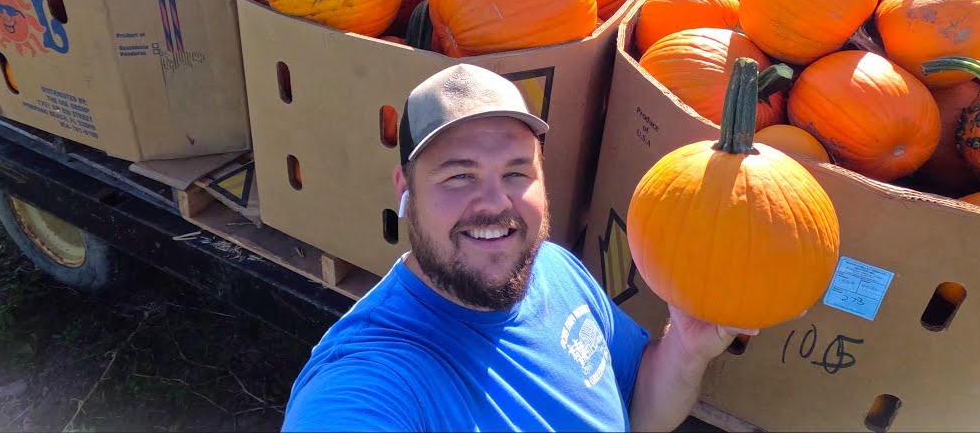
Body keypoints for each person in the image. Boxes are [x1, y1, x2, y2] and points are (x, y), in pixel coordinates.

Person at [281, 64, 759, 432]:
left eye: (516, 173)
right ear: (404, 187)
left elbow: (637, 412)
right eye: (459, 175)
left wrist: (686, 348)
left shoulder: (558, 270)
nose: (495, 203)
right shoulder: (376, 374)